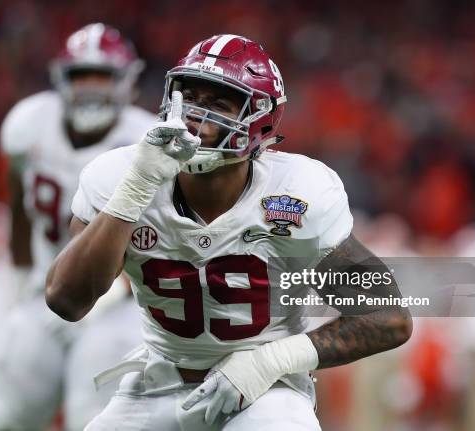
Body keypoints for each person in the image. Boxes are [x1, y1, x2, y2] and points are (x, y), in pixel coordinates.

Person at [46, 34, 412, 430]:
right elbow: (67, 300)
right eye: (189, 99)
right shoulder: (120, 175)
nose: (195, 118)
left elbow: (387, 316)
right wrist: (134, 190)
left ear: (261, 119)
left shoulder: (297, 192)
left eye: (218, 104)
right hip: (159, 383)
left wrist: (268, 361)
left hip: (264, 392)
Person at [0, 23, 156, 431]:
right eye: (82, 76)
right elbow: (20, 206)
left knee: (94, 419)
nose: (92, 87)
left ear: (126, 82)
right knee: (10, 416)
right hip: (43, 293)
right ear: (62, 78)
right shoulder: (29, 124)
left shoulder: (148, 139)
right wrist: (21, 276)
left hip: (119, 304)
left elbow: (163, 236)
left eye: (104, 76)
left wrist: (115, 290)